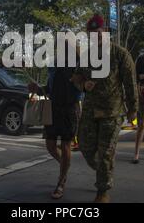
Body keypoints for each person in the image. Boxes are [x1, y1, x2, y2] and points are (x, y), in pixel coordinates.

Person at [72, 14, 138, 203]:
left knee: (106, 152)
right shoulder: (86, 55)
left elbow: (131, 83)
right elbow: (76, 78)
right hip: (90, 111)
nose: (95, 37)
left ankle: (102, 191)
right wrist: (83, 85)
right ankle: (104, 168)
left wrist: (133, 109)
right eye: (91, 34)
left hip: (112, 111)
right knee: (84, 146)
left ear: (106, 32)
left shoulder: (120, 53)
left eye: (98, 33)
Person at [28, 41, 83, 200]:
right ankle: (64, 166)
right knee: (50, 145)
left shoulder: (78, 66)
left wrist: (77, 80)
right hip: (52, 108)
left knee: (66, 145)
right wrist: (37, 89)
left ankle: (61, 181)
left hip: (69, 109)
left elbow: (83, 88)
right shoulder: (54, 64)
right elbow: (49, 88)